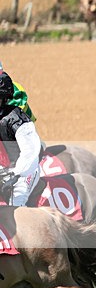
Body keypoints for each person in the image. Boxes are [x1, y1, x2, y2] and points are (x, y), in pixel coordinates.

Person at [0, 63, 43, 206]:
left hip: (22, 174)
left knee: (15, 206)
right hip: (3, 173)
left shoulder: (15, 117)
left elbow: (30, 152)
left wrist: (15, 174)